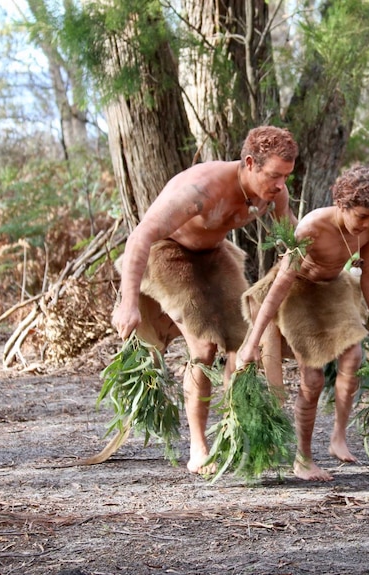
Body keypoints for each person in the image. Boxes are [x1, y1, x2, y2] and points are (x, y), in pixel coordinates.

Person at [111, 125, 299, 474]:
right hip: (168, 253)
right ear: (249, 163)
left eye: (286, 177)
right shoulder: (201, 189)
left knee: (243, 348)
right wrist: (128, 304)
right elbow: (140, 237)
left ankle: (238, 436)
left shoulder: (274, 194)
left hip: (214, 255)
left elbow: (294, 241)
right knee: (203, 349)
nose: (280, 185)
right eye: (274, 175)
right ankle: (198, 449)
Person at [238, 165, 369, 481]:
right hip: (297, 290)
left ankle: (338, 436)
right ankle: (303, 458)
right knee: (313, 376)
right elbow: (280, 284)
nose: (367, 224)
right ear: (342, 205)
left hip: (333, 287)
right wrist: (252, 342)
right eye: (361, 216)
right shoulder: (311, 228)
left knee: (353, 357)